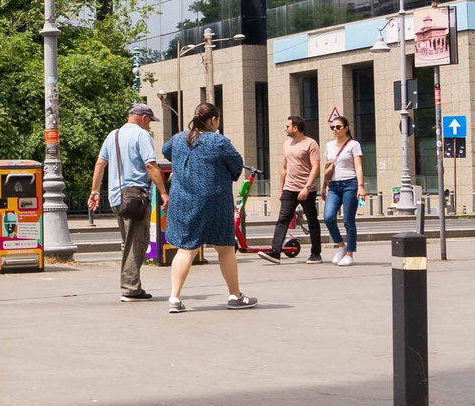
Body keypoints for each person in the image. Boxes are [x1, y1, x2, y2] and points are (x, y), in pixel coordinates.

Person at [159, 101, 257, 313]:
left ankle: (174, 298)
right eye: (218, 120)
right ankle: (234, 295)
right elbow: (236, 164)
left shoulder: (178, 139)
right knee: (225, 248)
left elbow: (165, 151)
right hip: (214, 202)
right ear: (213, 120)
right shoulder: (219, 141)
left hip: (183, 200)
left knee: (186, 249)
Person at [86, 102, 164, 300]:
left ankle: (133, 285)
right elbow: (150, 165)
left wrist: (95, 191)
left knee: (130, 241)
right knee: (137, 241)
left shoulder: (114, 135)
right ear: (144, 118)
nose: (149, 126)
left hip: (116, 197)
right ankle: (130, 288)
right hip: (135, 198)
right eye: (149, 122)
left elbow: (100, 163)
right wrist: (163, 192)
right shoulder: (141, 135)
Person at [264, 115, 323, 263]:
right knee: (282, 219)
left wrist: (307, 187)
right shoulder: (286, 144)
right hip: (289, 188)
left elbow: (315, 167)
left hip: (306, 189)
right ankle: (275, 252)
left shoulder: (311, 144)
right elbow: (284, 167)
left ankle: (316, 253)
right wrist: (281, 188)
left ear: (295, 128)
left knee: (312, 221)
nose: (285, 128)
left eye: (288, 126)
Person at [322, 113, 364, 266]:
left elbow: (358, 166)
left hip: (350, 184)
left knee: (348, 221)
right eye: (332, 127)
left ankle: (349, 254)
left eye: (338, 127)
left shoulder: (354, 144)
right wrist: (324, 186)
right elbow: (327, 168)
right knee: (328, 217)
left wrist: (360, 186)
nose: (335, 130)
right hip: (333, 185)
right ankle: (341, 246)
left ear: (346, 128)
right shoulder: (328, 145)